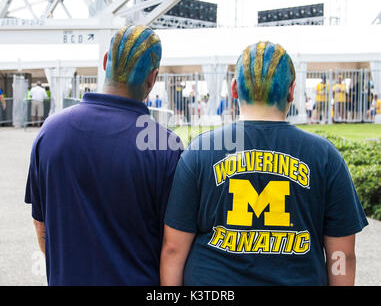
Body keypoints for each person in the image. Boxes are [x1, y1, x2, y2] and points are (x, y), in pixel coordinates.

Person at [161, 41, 368, 286]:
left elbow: (174, 249)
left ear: (234, 89)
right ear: (291, 91)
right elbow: (341, 254)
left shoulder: (200, 151)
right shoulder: (326, 157)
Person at [25, 25, 183, 286]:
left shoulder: (51, 132)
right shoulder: (166, 146)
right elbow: (173, 246)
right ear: (153, 78)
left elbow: (41, 227)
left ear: (105, 61)